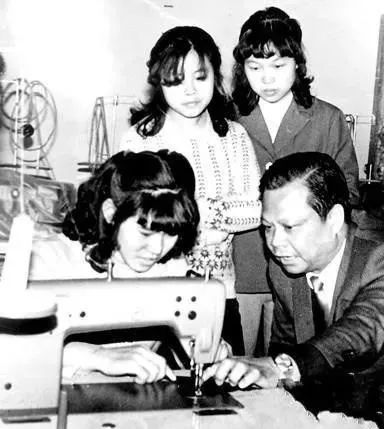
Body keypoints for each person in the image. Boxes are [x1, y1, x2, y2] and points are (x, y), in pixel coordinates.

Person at [204, 152, 384, 414]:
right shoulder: (284, 268)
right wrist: (249, 372)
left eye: (289, 227)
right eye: (268, 227)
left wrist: (282, 367)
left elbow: (360, 332)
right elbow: (286, 349)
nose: (274, 243)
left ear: (333, 219)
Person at [120, 26, 262, 355]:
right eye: (175, 80)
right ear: (159, 81)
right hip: (155, 292)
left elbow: (256, 209)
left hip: (221, 293)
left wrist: (191, 211)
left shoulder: (234, 136)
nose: (190, 91)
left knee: (224, 376)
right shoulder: (140, 140)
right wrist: (214, 215)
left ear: (216, 76)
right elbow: (134, 215)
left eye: (200, 77)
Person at [231, 7, 360, 325]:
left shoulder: (328, 119)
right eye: (255, 67)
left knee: (297, 353)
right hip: (239, 267)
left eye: (278, 65)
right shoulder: (227, 119)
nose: (267, 78)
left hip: (305, 272)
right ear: (243, 69)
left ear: (297, 64)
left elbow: (348, 194)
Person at [29, 150, 201, 383]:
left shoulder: (172, 268)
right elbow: (17, 346)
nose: (157, 248)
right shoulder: (50, 259)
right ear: (111, 213)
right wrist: (97, 356)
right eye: (145, 232)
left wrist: (216, 355)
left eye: (170, 233)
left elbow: (194, 337)